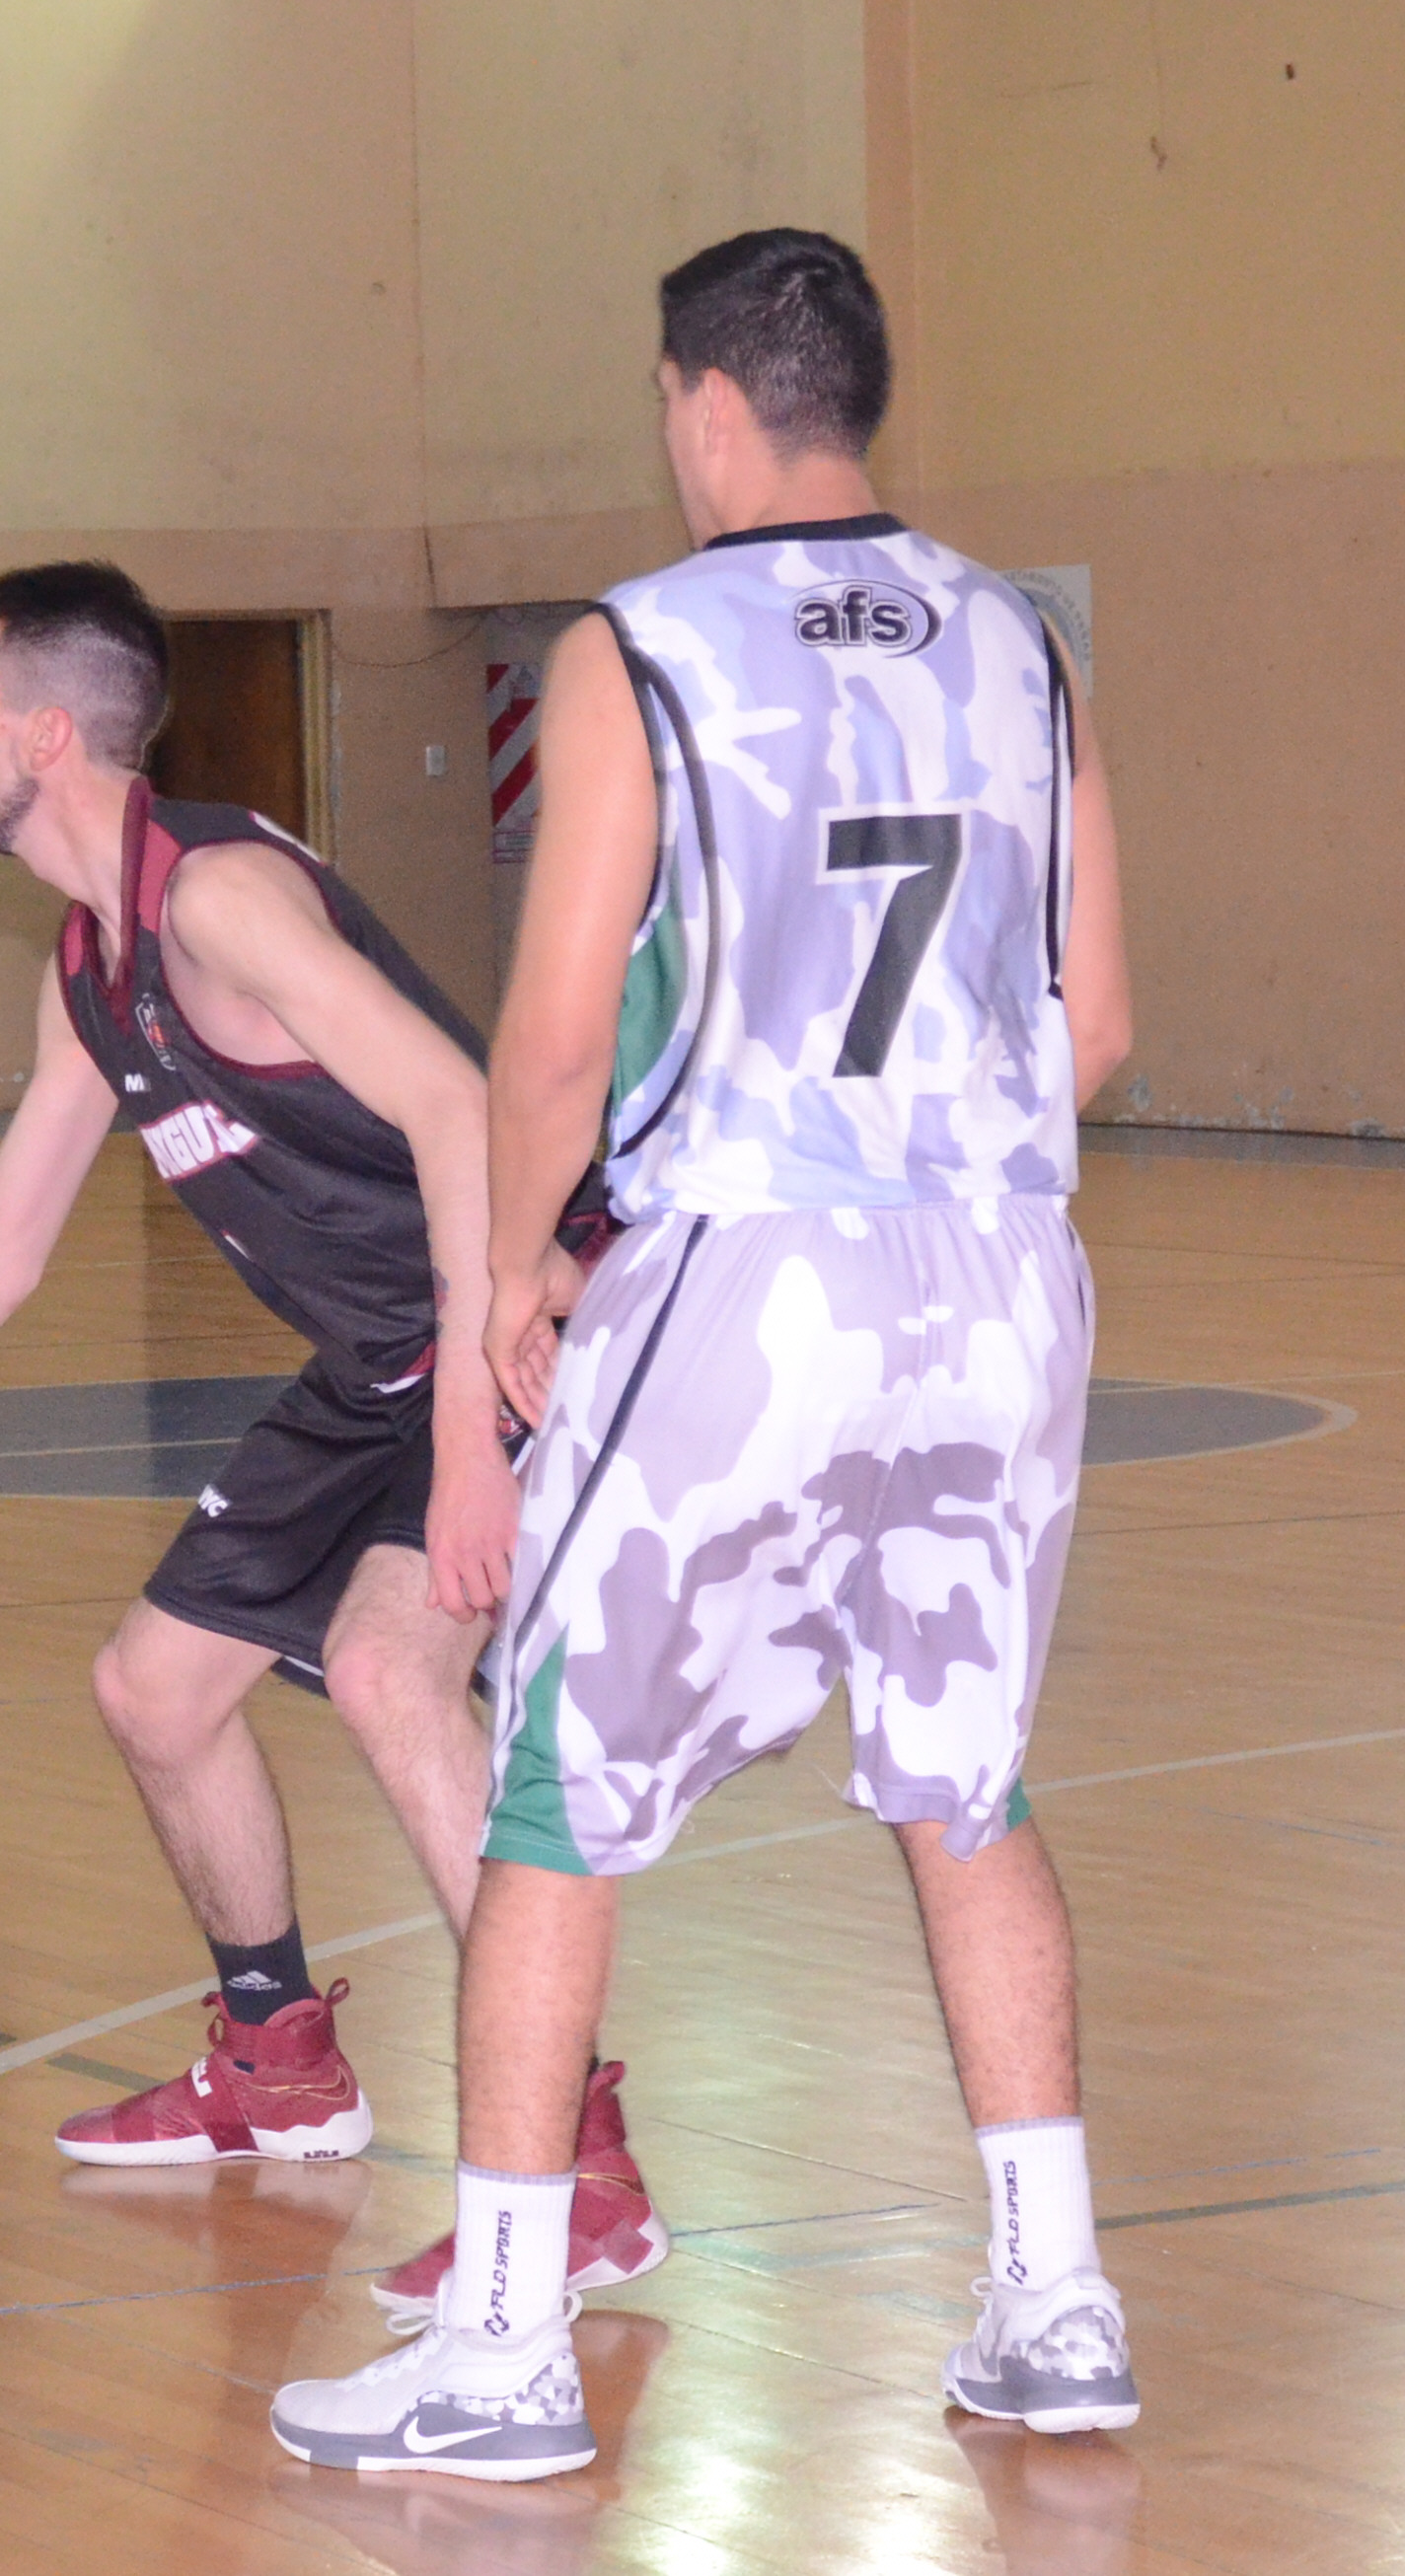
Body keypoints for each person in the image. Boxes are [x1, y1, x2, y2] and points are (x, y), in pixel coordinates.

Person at [271, 229, 1138, 2479]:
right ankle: (1054, 2301)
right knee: (964, 1784)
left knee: (551, 1800)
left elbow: (556, 1038)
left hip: (753, 1270)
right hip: (998, 1274)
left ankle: (500, 2348)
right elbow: (1098, 1022)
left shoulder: (639, 648)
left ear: (707, 402)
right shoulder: (1017, 641)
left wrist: (520, 1272)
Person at [0, 561, 663, 2320]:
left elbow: (457, 1105)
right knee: (155, 1692)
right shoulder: (93, 966)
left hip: (526, 1330)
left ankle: (580, 2176)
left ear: (42, 734)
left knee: (390, 1673)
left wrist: (476, 1437)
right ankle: (279, 2062)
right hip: (384, 1358)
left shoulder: (220, 903)